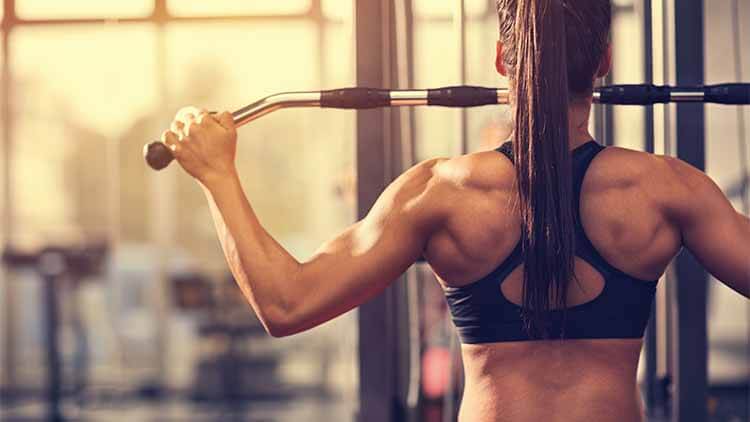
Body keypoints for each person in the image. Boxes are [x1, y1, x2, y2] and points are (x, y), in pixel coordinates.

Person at [160, 0, 750, 420]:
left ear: (501, 59)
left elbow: (286, 302)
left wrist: (218, 174)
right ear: (605, 61)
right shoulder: (666, 191)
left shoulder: (441, 194)